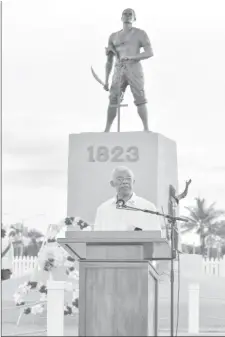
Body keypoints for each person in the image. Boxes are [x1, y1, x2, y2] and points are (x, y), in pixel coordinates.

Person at [104, 8, 153, 132]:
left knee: (140, 97)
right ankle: (107, 129)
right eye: (125, 14)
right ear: (121, 17)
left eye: (130, 14)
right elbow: (109, 60)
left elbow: (149, 52)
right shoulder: (113, 36)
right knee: (113, 100)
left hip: (134, 68)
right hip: (118, 69)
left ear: (134, 18)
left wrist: (132, 57)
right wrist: (106, 80)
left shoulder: (140, 33)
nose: (127, 16)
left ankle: (146, 128)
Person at [94, 166, 161, 232]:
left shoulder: (148, 208)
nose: (125, 182)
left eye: (128, 179)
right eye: (120, 179)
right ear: (112, 183)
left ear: (133, 182)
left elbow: (156, 238)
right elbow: (96, 238)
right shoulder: (103, 209)